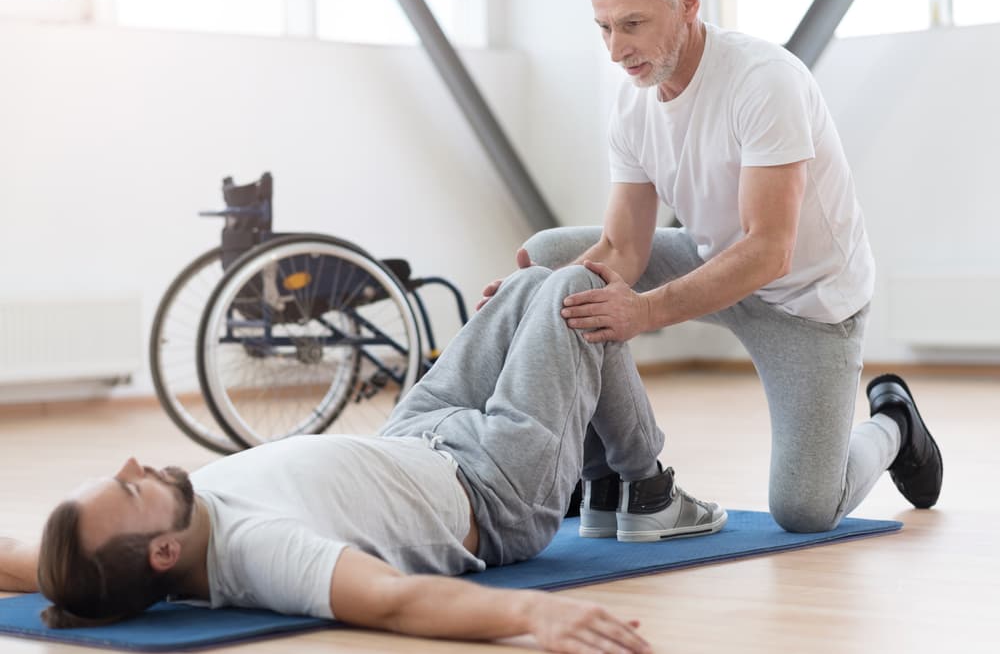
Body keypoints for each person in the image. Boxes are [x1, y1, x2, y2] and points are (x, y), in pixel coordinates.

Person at [1, 265, 727, 654]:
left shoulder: (91, 561)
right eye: (130, 490)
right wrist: (534, 619)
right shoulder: (259, 552)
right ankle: (646, 487)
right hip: (494, 488)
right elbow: (393, 601)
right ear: (162, 551)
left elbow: (14, 557)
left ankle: (605, 485)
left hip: (414, 435)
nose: (135, 463)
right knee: (579, 292)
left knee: (535, 283)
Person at [479, 0, 943, 533]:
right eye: (604, 28)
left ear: (689, 4)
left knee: (806, 510)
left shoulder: (764, 80)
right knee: (548, 261)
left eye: (633, 24)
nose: (615, 50)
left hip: (807, 302)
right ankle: (606, 476)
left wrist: (646, 313)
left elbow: (770, 249)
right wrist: (530, 301)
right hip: (712, 260)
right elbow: (623, 248)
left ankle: (894, 425)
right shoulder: (633, 101)